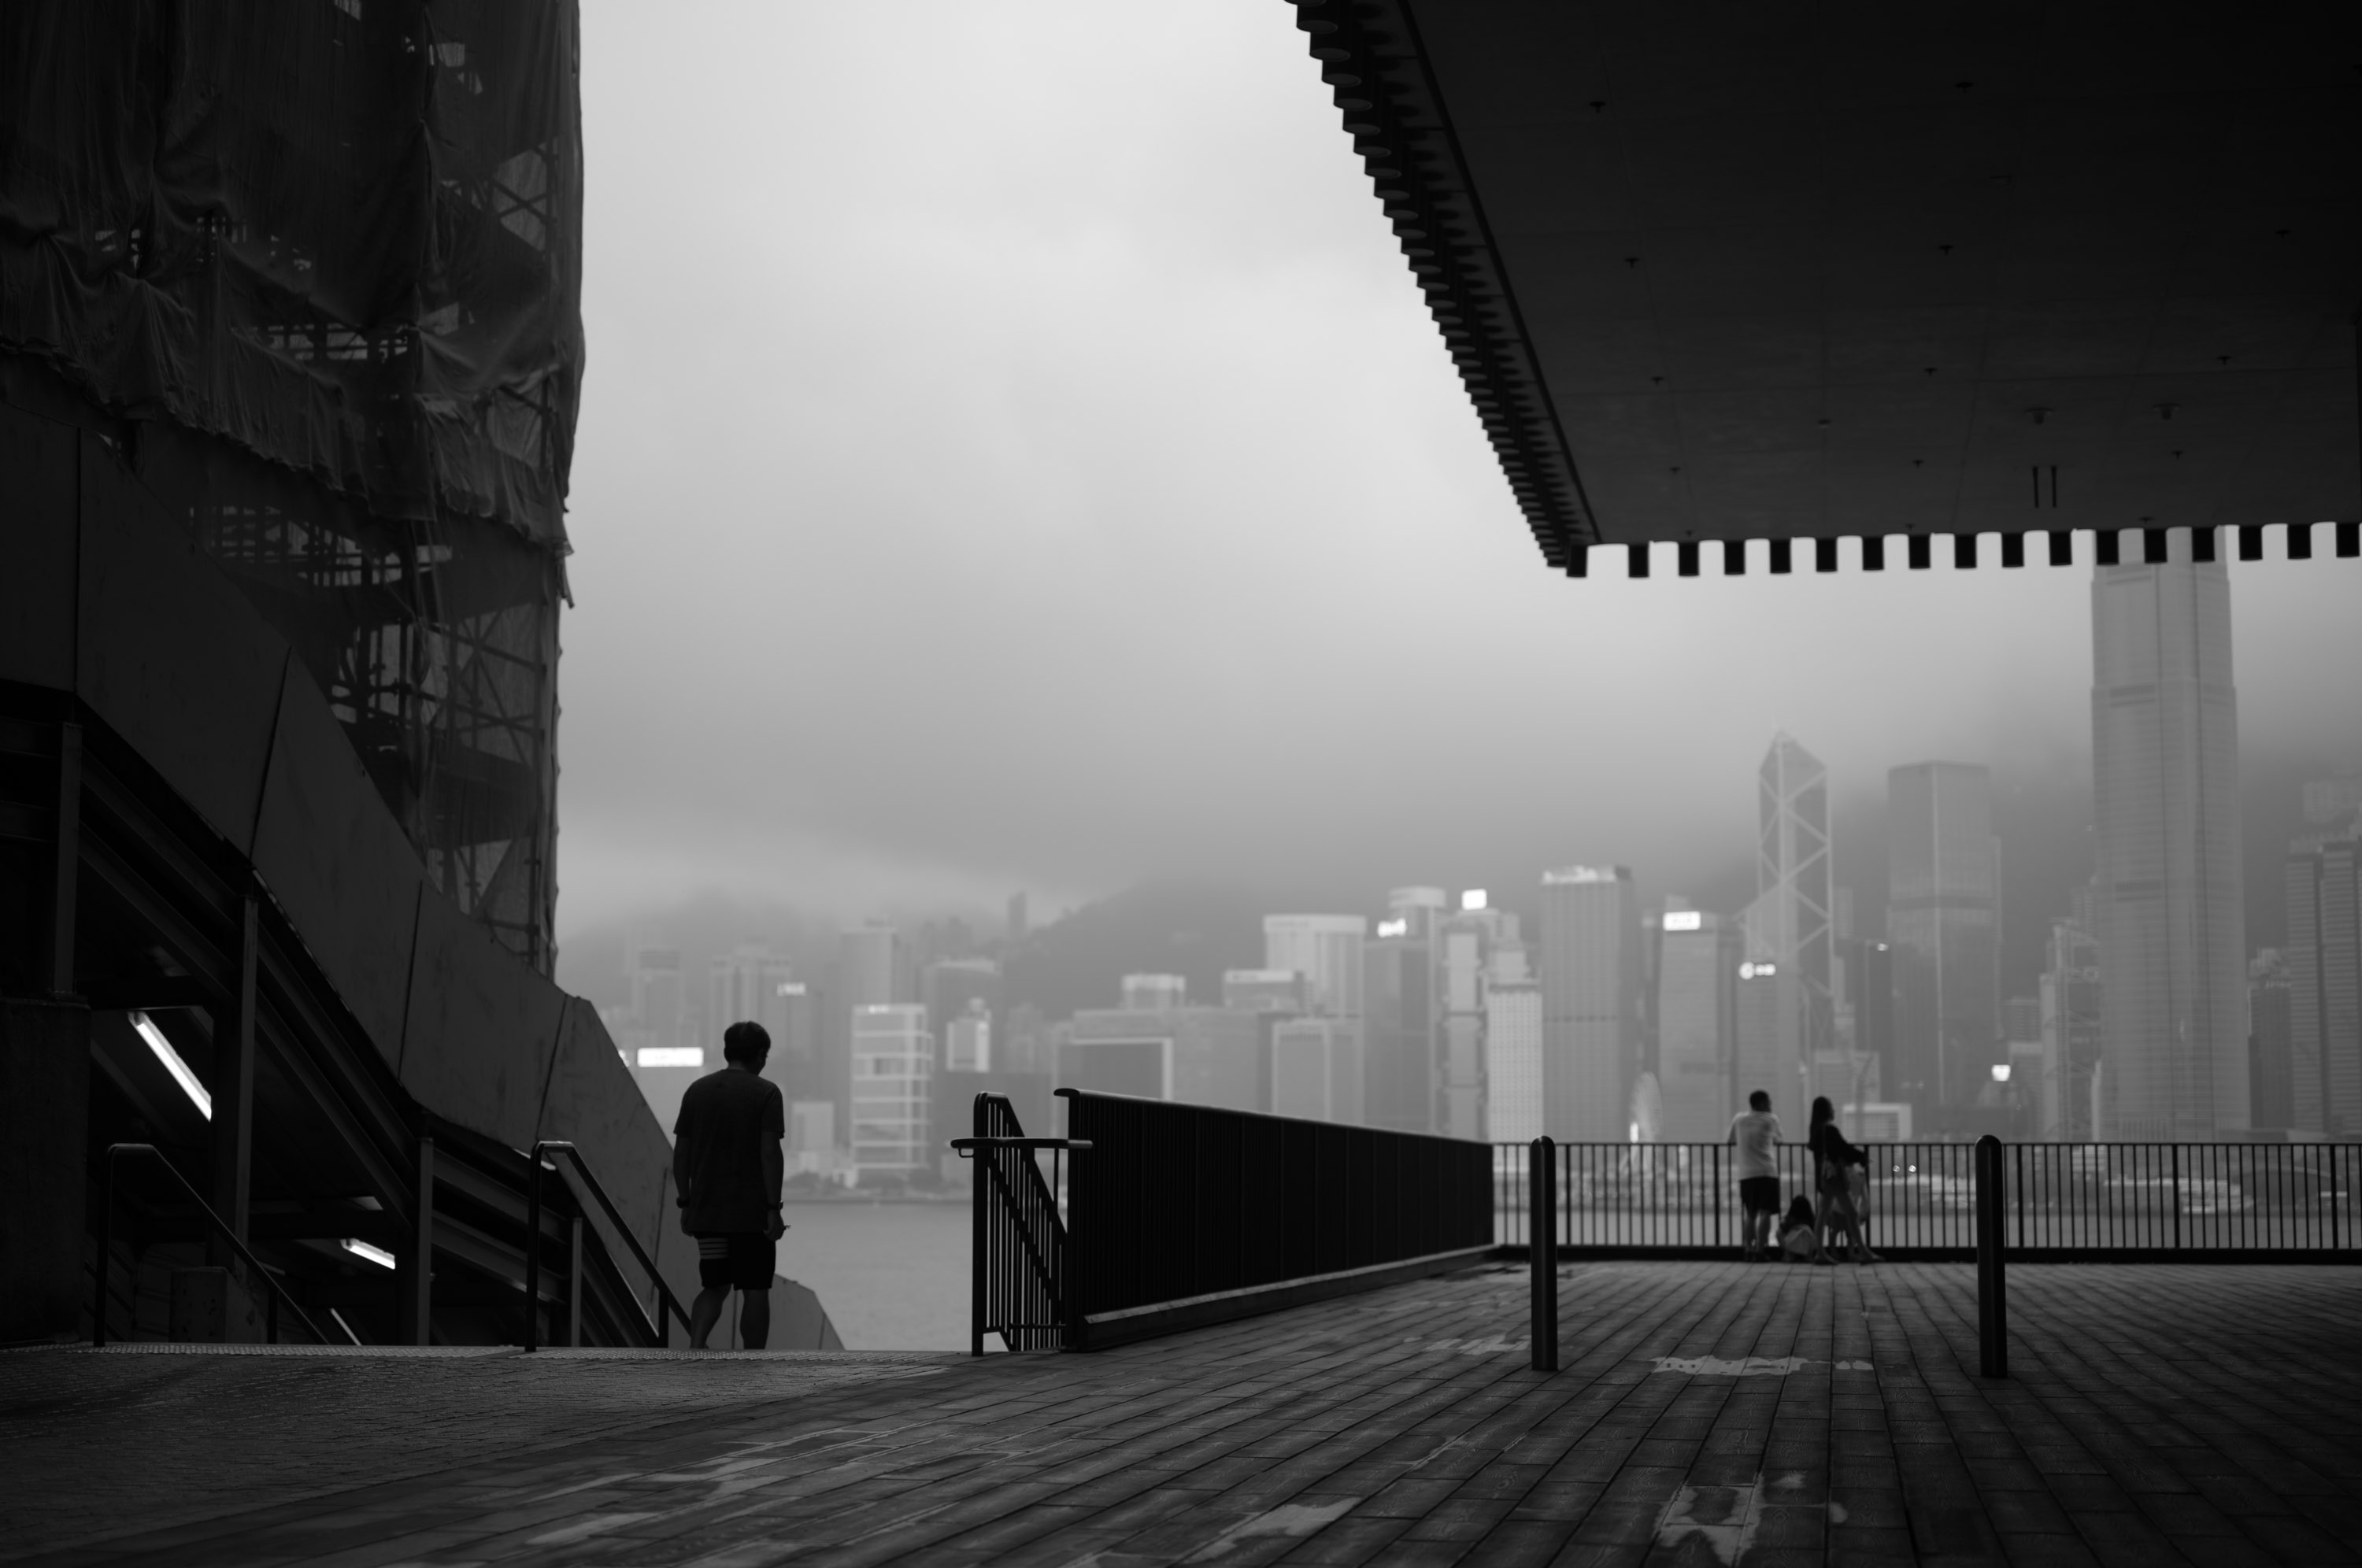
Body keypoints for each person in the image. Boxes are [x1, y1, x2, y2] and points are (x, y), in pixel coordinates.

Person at [672, 1020, 787, 1349]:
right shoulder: (767, 1093)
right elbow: (770, 1152)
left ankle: (696, 1347)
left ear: (727, 1051)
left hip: (707, 1213)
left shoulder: (697, 1091)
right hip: (751, 1216)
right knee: (755, 1288)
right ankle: (753, 1359)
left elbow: (681, 1153)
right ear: (761, 1055)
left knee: (714, 1286)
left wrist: (686, 1202)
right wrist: (773, 1209)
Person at [1807, 1095, 1880, 1263]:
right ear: (1827, 1111)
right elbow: (1842, 1148)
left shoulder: (1817, 1131)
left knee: (1823, 1214)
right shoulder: (1829, 1129)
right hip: (1835, 1177)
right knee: (1852, 1213)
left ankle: (1821, 1253)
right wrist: (1861, 1157)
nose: (1834, 1110)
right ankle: (1863, 1252)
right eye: (1831, 1107)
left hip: (1825, 1178)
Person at [1727, 1089, 1783, 1262]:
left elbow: (1730, 1141)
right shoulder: (1771, 1119)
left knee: (1750, 1213)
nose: (1771, 1105)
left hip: (1746, 1174)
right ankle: (1760, 1250)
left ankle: (1748, 1249)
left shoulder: (1739, 1119)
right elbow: (1779, 1140)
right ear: (1762, 1104)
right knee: (1765, 1212)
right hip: (1767, 1172)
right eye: (1769, 1102)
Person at [1777, 1193, 1832, 1263]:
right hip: (1808, 1245)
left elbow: (1782, 1229)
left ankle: (1789, 1255)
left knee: (1779, 1232)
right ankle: (1808, 1257)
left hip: (1791, 1245)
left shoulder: (1789, 1220)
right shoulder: (1811, 1219)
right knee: (1812, 1233)